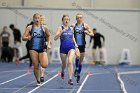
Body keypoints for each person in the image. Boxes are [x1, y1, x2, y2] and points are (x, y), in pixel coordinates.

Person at [22, 13, 51, 86]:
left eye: (38, 18)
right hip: (33, 48)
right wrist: (27, 38)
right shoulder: (30, 27)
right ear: (33, 19)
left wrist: (49, 43)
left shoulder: (44, 27)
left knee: (44, 65)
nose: (37, 19)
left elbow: (49, 35)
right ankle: (38, 80)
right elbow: (23, 37)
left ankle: (42, 73)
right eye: (35, 18)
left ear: (40, 19)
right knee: (35, 65)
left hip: (42, 48)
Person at [54, 14, 79, 85]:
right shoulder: (60, 28)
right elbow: (55, 38)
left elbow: (72, 37)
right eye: (65, 19)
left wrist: (75, 44)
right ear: (62, 20)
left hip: (71, 47)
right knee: (64, 64)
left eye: (68, 19)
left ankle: (70, 79)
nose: (66, 20)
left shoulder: (71, 29)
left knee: (70, 61)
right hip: (63, 48)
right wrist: (61, 32)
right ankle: (62, 71)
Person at [71, 13, 94, 83]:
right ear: (76, 18)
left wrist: (88, 33)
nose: (79, 19)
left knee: (80, 61)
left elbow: (92, 34)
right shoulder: (73, 25)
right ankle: (76, 69)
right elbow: (70, 33)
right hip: (75, 45)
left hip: (82, 45)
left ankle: (78, 73)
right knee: (77, 56)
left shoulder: (85, 25)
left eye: (80, 18)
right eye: (78, 18)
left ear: (82, 18)